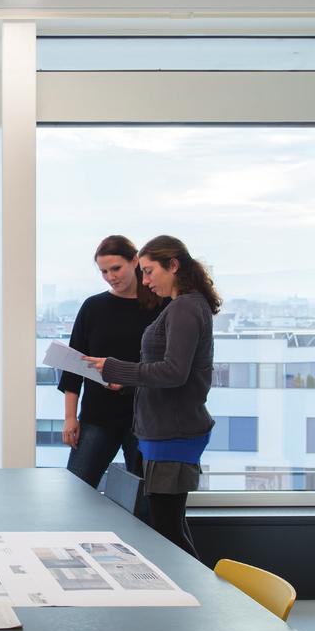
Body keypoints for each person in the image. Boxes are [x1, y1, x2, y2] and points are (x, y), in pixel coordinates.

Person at [85, 236, 220, 557]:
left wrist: (116, 369)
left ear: (173, 266)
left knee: (167, 530)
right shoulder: (184, 306)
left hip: (172, 431)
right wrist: (128, 383)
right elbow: (168, 373)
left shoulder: (184, 308)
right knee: (169, 524)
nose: (144, 281)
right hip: (165, 430)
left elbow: (174, 372)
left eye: (149, 272)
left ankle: (197, 599)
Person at [60, 235, 163, 489]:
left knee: (143, 496)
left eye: (115, 268)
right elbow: (74, 366)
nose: (110, 276)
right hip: (97, 414)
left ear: (135, 261)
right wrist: (70, 418)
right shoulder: (93, 307)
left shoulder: (161, 305)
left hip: (144, 418)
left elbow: (167, 367)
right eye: (104, 271)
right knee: (77, 489)